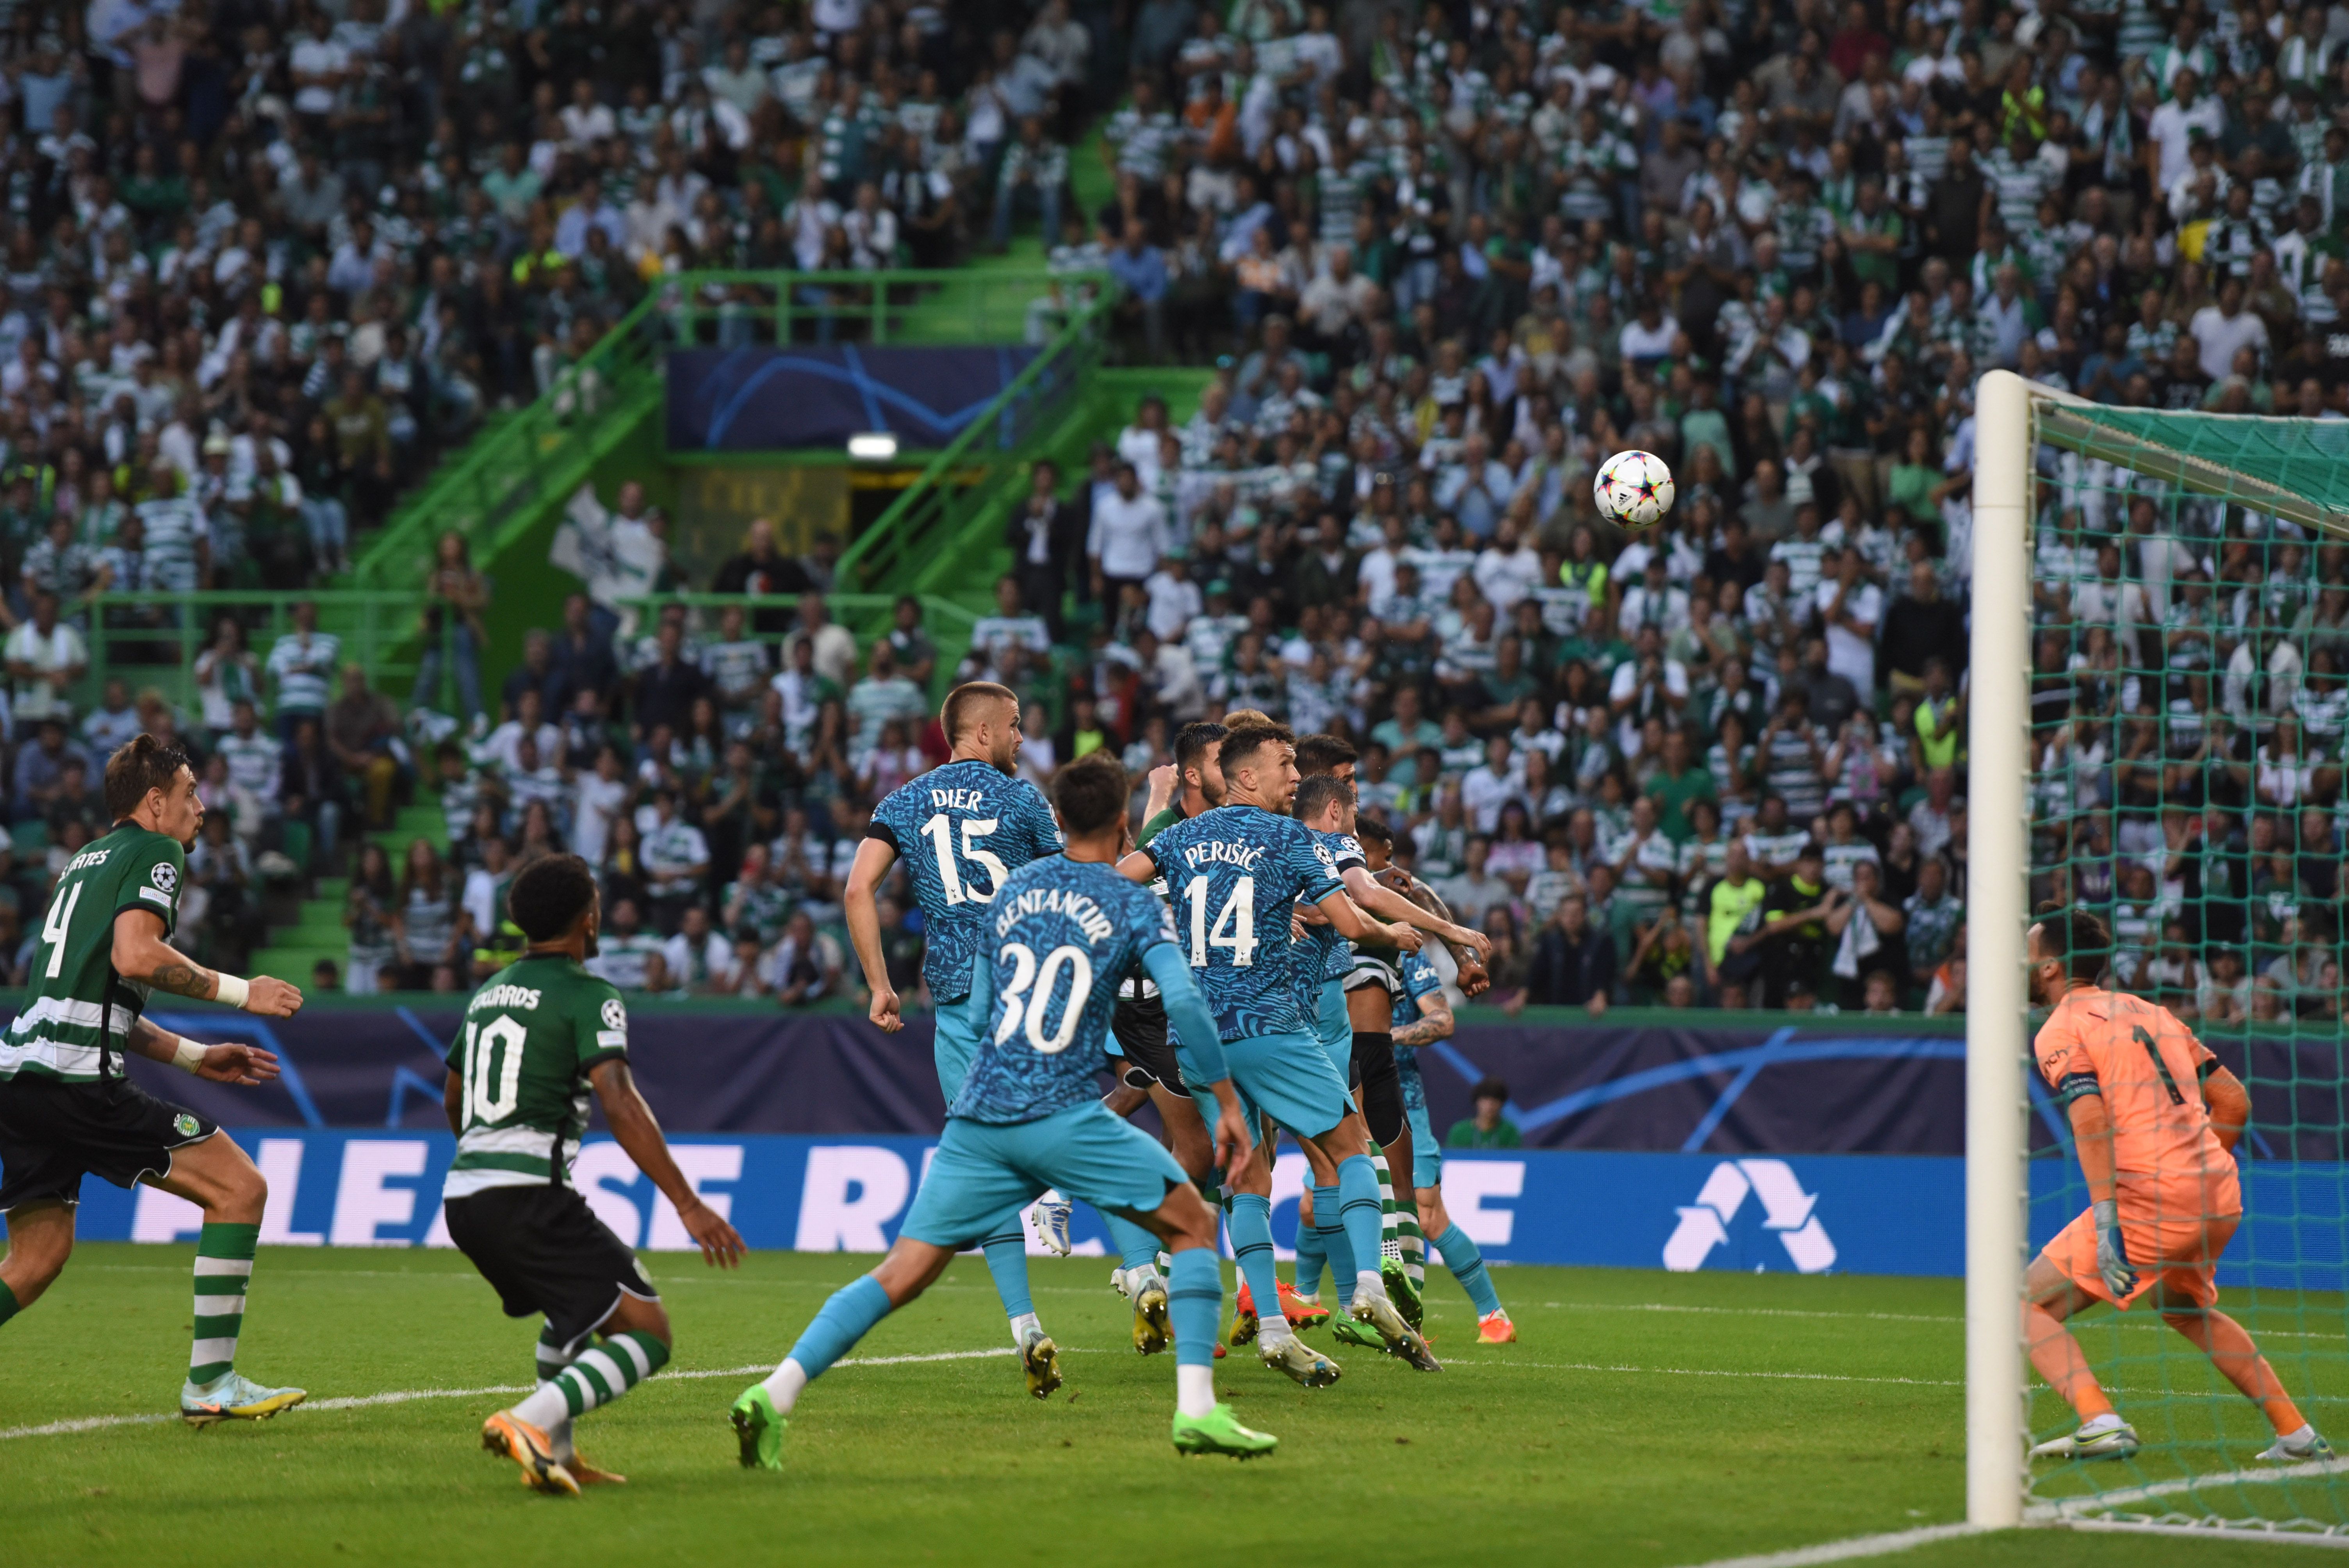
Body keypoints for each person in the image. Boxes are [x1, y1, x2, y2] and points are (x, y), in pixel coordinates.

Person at [732, 753, 1275, 1466]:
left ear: (1057, 816)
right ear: (1120, 823)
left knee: (900, 1273)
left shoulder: (1011, 895)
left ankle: (773, 1393)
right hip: (1062, 1112)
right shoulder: (1131, 901)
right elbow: (1183, 1006)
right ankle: (1197, 1410)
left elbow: (986, 1009)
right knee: (1197, 1225)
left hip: (981, 1114)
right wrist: (1228, 1102)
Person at [0, 735, 307, 1424]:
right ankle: (212, 1383)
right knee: (240, 1188)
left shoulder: (85, 861)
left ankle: (213, 1383)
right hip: (77, 1083)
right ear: (156, 800)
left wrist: (196, 1058)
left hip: (21, 1077)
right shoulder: (154, 852)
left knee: (39, 1254)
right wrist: (241, 991)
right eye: (192, 792)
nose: (201, 807)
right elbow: (137, 957)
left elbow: (99, 998)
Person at [1121, 720, 1438, 1372]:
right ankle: (1369, 1291)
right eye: (1286, 765)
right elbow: (1351, 921)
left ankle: (1270, 1326)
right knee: (1351, 1147)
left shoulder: (1180, 836)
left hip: (1197, 1038)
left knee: (1246, 1178)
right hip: (1267, 1024)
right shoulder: (1291, 835)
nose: (1296, 777)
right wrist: (1396, 936)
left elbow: (1121, 879)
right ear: (1246, 777)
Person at [444, 853, 745, 1495]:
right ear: (589, 918)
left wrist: (481, 1159)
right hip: (527, 1193)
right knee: (649, 1333)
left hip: (465, 1195)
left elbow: (453, 1092)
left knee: (571, 1315)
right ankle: (529, 1421)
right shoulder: (590, 995)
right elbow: (620, 1099)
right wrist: (688, 1203)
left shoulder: (487, 993)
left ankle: (559, 1453)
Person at [2021, 907, 2329, 1465]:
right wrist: (2200, 1167)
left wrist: (2109, 1216)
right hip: (2218, 1191)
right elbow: (2234, 1100)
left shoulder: (2061, 1029)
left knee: (2018, 1303)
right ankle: (2297, 1435)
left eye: (2028, 949)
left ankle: (2100, 1421)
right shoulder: (2152, 1011)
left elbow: (2090, 1119)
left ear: (2049, 966)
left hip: (2151, 1199)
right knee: (2186, 1310)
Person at [842, 681, 1067, 1395]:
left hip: (956, 989)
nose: (1021, 739)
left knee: (981, 1149)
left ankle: (1025, 1324)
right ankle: (1083, 1212)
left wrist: (880, 983)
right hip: (1024, 973)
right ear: (981, 733)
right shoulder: (1024, 799)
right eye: (1014, 726)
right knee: (1073, 1108)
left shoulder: (903, 800)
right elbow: (1069, 881)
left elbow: (857, 890)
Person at [1389, 946, 1515, 1342]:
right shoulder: (1326, 945)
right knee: (1313, 1204)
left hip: (1401, 1101)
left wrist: (1381, 1038)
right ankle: (1304, 1301)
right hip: (1341, 1097)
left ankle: (1493, 1315)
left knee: (1426, 1215)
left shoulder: (1406, 955)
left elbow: (1442, 1021)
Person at [1447, 1077, 1522, 1149]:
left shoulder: (1510, 1132)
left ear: (1502, 1104)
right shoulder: (1459, 1132)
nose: (1490, 1106)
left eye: (1495, 1101)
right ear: (1477, 1102)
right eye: (1485, 1100)